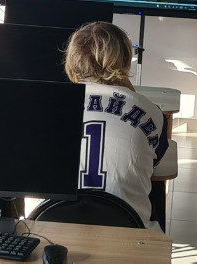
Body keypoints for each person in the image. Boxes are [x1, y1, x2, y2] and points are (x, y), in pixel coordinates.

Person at [64, 21, 170, 230]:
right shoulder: (152, 111)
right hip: (127, 228)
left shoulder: (48, 105)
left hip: (54, 225)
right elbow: (155, 162)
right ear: (125, 59)